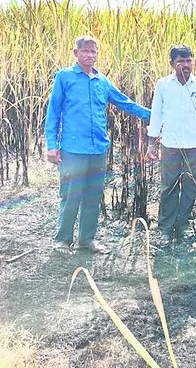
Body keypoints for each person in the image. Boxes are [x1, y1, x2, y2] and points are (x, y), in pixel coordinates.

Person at [45, 35, 151, 255]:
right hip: (73, 149)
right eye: (85, 51)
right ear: (76, 53)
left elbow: (125, 102)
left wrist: (154, 115)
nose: (90, 55)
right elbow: (53, 112)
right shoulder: (64, 77)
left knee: (93, 195)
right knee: (71, 195)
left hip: (98, 149)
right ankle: (62, 240)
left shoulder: (102, 81)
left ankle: (87, 240)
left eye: (94, 52)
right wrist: (51, 145)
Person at [146, 45, 196, 242]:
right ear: (172, 63)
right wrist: (152, 144)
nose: (186, 65)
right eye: (181, 61)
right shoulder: (163, 85)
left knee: (190, 186)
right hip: (170, 145)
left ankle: (182, 224)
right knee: (168, 186)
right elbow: (157, 114)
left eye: (189, 61)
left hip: (195, 146)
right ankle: (165, 228)